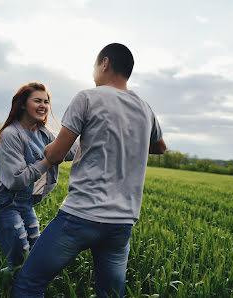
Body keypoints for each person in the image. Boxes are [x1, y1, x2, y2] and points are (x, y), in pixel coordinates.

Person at [12, 43, 166, 297]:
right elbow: (159, 147)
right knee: (110, 294)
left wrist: (46, 149)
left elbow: (58, 153)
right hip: (122, 224)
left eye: (95, 66)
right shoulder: (145, 107)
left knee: (29, 283)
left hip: (80, 216)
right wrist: (128, 141)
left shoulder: (87, 97)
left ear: (104, 63)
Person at [0, 82, 78, 296]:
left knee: (34, 259)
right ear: (22, 105)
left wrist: (92, 132)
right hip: (3, 203)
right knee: (19, 263)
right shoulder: (11, 134)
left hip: (25, 203)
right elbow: (16, 180)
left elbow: (71, 150)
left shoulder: (44, 134)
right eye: (37, 100)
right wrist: (49, 160)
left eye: (46, 101)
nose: (43, 105)